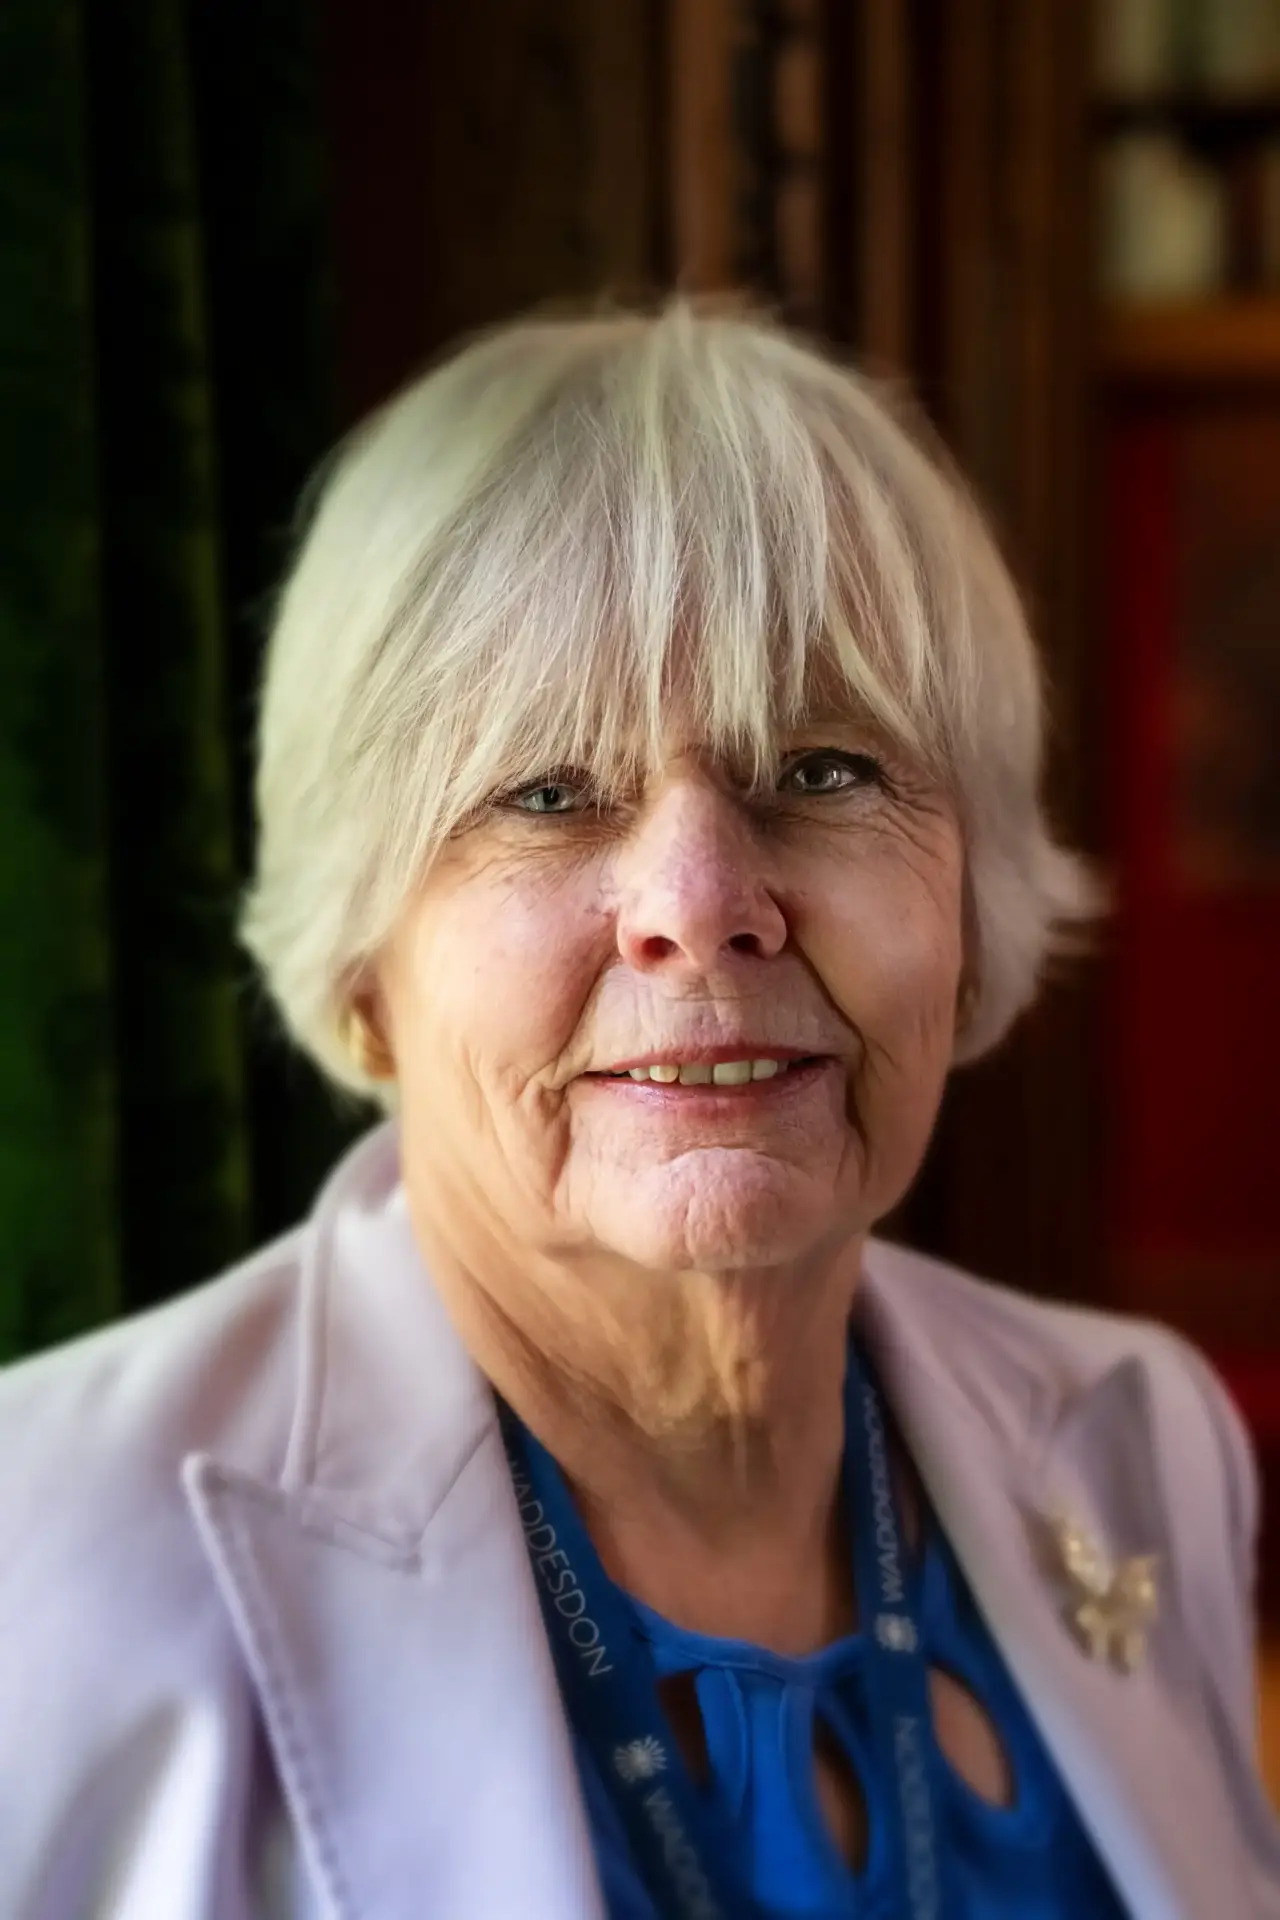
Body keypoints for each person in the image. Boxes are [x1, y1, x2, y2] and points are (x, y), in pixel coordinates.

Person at [2, 302, 1277, 1920]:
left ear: (970, 907)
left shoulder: (1141, 1437)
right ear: (363, 966)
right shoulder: (39, 1566)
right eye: (546, 794)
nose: (701, 905)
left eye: (822, 769)